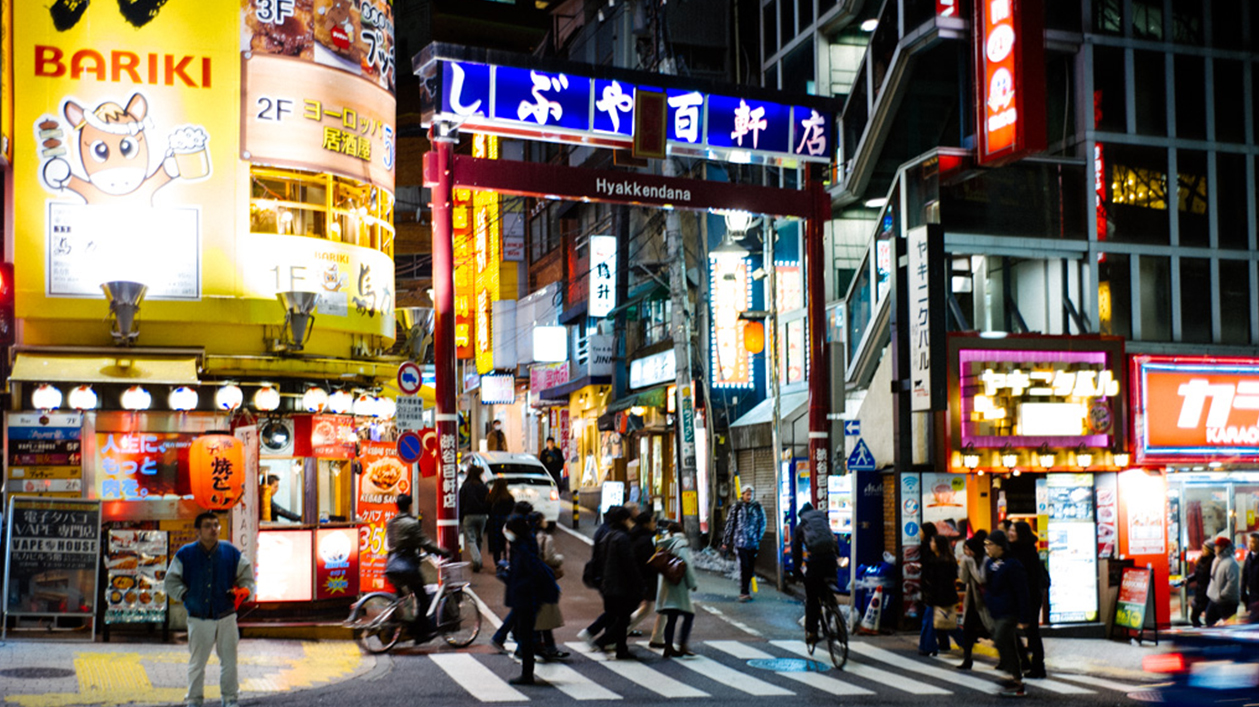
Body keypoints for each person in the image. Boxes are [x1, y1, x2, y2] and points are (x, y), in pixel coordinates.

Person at [166, 512, 255, 707]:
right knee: (197, 662)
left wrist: (244, 591)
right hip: (199, 617)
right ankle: (194, 700)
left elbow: (247, 577)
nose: (213, 529)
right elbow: (170, 580)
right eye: (208, 526)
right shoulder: (185, 554)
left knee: (229, 661)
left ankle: (230, 699)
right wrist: (184, 595)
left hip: (226, 615)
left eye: (216, 525)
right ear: (197, 531)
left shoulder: (230, 552)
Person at [501, 511, 560, 685]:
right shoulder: (525, 543)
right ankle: (528, 670)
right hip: (526, 597)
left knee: (525, 636)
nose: (506, 531)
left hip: (526, 598)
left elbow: (528, 573)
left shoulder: (523, 548)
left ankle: (527, 674)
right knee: (524, 635)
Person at [385, 493, 452, 642]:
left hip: (392, 564)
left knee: (399, 599)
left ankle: (391, 630)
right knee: (423, 598)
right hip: (406, 566)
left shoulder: (391, 523)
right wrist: (443, 552)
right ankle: (419, 633)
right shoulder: (411, 523)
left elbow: (395, 543)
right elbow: (425, 543)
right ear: (409, 506)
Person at [983, 530, 1031, 698]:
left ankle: (1016, 676)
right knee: (1005, 641)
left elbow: (1022, 591)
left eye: (990, 545)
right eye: (985, 545)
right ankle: (1016, 679)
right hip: (996, 610)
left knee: (1002, 639)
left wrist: (1025, 616)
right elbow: (989, 586)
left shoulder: (1012, 564)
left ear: (1000, 547)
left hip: (1010, 610)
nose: (987, 548)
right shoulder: (990, 564)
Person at [597, 506, 642, 658]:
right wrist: (638, 583)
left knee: (616, 616)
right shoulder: (622, 538)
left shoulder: (608, 535)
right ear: (624, 520)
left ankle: (612, 644)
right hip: (621, 585)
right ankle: (615, 646)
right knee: (623, 619)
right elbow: (629, 564)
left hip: (608, 583)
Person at [791, 502, 838, 647]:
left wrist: (797, 570)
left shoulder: (801, 526)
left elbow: (796, 551)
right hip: (830, 561)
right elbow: (833, 542)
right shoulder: (823, 522)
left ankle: (812, 632)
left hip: (815, 563)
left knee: (812, 599)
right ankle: (833, 619)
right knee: (828, 594)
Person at [577, 506, 624, 648]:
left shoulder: (603, 529)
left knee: (612, 609)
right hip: (607, 576)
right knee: (615, 610)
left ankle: (606, 639)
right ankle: (593, 633)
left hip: (601, 575)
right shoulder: (610, 533)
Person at [1011, 521, 1048, 678]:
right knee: (1023, 630)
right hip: (1022, 595)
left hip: (1030, 596)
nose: (1010, 533)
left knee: (1031, 631)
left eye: (1013, 530)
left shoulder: (1026, 552)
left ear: (1021, 533)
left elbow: (1031, 579)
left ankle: (1038, 666)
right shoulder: (1017, 549)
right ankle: (1028, 662)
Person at [656, 522, 699, 658]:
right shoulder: (681, 544)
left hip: (666, 585)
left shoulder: (664, 543)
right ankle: (682, 645)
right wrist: (692, 583)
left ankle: (668, 647)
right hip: (678, 586)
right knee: (689, 614)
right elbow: (686, 566)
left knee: (671, 618)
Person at [533, 513, 569, 660]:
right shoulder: (545, 538)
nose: (545, 521)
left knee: (537, 615)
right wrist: (561, 558)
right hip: (544, 579)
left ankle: (545, 646)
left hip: (532, 579)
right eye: (543, 519)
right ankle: (547, 647)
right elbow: (550, 557)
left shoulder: (526, 537)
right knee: (545, 614)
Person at [721, 485, 766, 602]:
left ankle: (746, 590)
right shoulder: (736, 507)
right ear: (742, 494)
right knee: (744, 566)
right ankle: (744, 591)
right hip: (740, 542)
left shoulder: (757, 507)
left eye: (751, 493)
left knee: (750, 567)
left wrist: (758, 537)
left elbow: (763, 522)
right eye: (747, 494)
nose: (749, 496)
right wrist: (725, 541)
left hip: (753, 543)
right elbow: (729, 524)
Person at [922, 534, 964, 656]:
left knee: (932, 623)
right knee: (947, 624)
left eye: (933, 541)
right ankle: (964, 642)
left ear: (938, 545)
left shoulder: (940, 562)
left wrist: (931, 597)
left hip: (939, 597)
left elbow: (937, 582)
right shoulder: (947, 559)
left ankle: (927, 647)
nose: (931, 544)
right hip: (945, 597)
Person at [957, 531, 992, 670]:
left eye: (968, 549)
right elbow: (964, 579)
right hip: (972, 601)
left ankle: (1008, 658)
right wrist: (965, 564)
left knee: (992, 631)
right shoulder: (967, 560)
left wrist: (969, 563)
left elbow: (981, 579)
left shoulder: (986, 560)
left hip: (985, 602)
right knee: (968, 631)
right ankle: (967, 659)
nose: (966, 552)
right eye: (965, 549)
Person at [628, 513, 659, 639]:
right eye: (652, 521)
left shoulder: (635, 536)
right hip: (646, 578)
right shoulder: (645, 540)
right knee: (648, 606)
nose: (655, 524)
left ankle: (621, 629)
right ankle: (618, 632)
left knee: (646, 606)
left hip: (639, 577)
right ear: (646, 524)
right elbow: (649, 561)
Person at [916, 522, 942, 656]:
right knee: (939, 619)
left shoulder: (935, 557)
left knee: (929, 619)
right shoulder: (928, 551)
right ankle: (934, 645)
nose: (919, 534)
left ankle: (927, 646)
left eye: (921, 531)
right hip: (932, 590)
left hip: (933, 591)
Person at [459, 465, 490, 572]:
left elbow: (460, 502)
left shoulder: (465, 486)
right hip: (482, 516)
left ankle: (477, 559)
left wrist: (460, 518)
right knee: (479, 538)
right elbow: (488, 501)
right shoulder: (483, 487)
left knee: (471, 539)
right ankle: (477, 559)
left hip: (469, 515)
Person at [1206, 536, 1241, 625]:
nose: (1214, 548)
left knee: (1228, 626)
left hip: (1228, 602)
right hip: (1215, 599)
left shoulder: (1231, 563)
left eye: (1216, 546)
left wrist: (1223, 595)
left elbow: (1232, 582)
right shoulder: (1216, 560)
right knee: (1209, 620)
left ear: (1223, 547)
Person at [486, 477, 515, 565]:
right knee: (506, 542)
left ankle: (497, 563)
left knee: (496, 544)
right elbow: (512, 509)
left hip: (494, 522)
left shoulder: (491, 497)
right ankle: (506, 560)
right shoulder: (509, 498)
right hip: (505, 522)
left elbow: (487, 509)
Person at [1188, 540, 1216, 627]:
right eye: (1202, 548)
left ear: (1210, 551)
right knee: (1194, 617)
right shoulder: (1201, 560)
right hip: (1199, 592)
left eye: (1205, 549)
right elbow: (1197, 574)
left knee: (1209, 618)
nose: (1202, 551)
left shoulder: (1214, 562)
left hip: (1208, 593)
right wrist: (1187, 579)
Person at [1242, 533, 1259, 623]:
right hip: (1251, 596)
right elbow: (1244, 576)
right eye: (1249, 541)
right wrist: (1243, 592)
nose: (1249, 544)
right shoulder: (1249, 558)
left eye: (1252, 542)